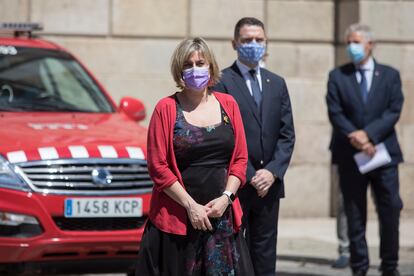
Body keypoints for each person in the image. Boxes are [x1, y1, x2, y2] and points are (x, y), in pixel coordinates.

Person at [135, 37, 255, 275]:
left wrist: (226, 199)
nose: (195, 70)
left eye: (200, 63)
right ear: (179, 72)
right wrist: (191, 206)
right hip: (179, 220)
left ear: (211, 67)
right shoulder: (166, 108)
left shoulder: (228, 105)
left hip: (222, 217)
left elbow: (240, 160)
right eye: (188, 65)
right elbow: (158, 166)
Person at [213, 17, 295, 276]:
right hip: (237, 185)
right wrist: (249, 175)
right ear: (235, 43)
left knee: (265, 252)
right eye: (247, 40)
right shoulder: (222, 82)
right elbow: (223, 136)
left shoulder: (277, 82)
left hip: (269, 186)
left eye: (259, 40)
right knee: (234, 251)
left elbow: (287, 135)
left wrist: (272, 172)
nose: (253, 44)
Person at [326, 23, 404, 276]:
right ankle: (359, 267)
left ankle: (389, 265)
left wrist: (369, 135)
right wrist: (357, 138)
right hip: (350, 155)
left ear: (370, 44)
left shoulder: (390, 75)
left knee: (390, 209)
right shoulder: (338, 76)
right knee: (354, 213)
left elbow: (393, 110)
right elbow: (335, 111)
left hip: (383, 154)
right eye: (349, 42)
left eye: (357, 42)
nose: (352, 47)